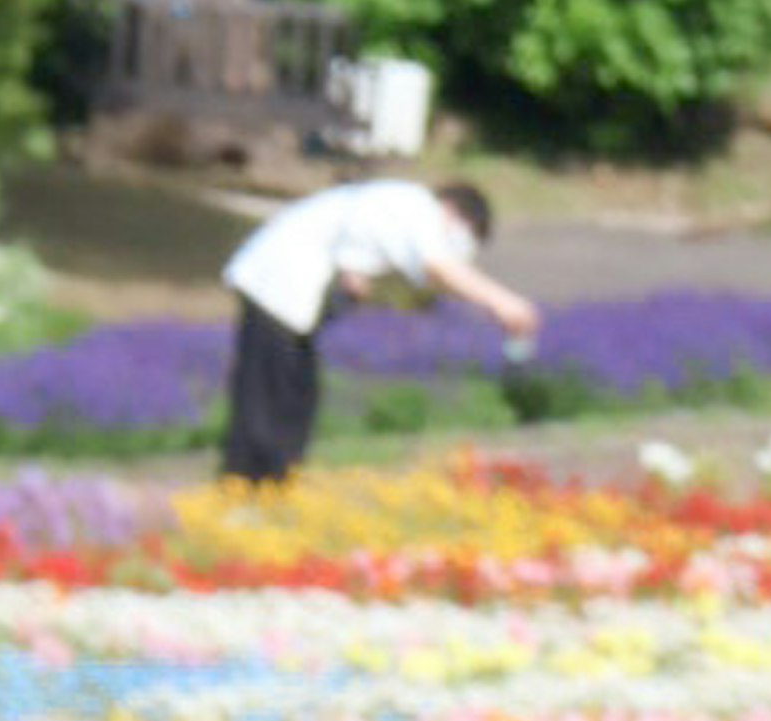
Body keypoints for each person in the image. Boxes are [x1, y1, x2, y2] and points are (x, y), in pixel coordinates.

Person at [217, 173, 536, 489]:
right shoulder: (417, 208)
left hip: (287, 295)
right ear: (452, 212)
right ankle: (245, 488)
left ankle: (272, 487)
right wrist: (503, 303)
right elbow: (438, 267)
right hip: (277, 284)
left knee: (296, 395)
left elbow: (359, 254)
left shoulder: (393, 206)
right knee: (268, 396)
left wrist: (354, 283)